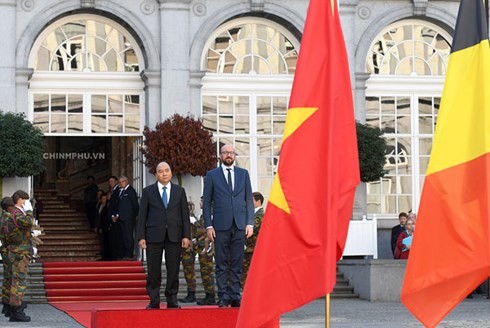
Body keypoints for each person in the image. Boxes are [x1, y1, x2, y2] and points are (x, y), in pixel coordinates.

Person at [203, 144, 254, 308]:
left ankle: (235, 295)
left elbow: (249, 200)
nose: (228, 155)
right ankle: (223, 295)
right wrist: (209, 226)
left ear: (235, 155)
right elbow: (206, 203)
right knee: (221, 262)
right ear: (220, 156)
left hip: (239, 225)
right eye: (225, 153)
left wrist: (250, 222)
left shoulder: (243, 174)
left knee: (237, 263)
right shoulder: (212, 175)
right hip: (220, 226)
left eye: (231, 153)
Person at [136, 161, 191, 309]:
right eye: (161, 171)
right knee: (153, 270)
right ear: (156, 174)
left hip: (175, 235)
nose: (164, 173)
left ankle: (172, 299)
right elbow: (142, 216)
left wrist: (186, 236)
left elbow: (185, 215)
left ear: (171, 173)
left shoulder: (180, 191)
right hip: (153, 235)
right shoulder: (148, 191)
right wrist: (141, 236)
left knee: (173, 270)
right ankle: (154, 300)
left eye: (167, 170)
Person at [180, 197, 217, 305]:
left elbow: (204, 230)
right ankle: (191, 294)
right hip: (194, 245)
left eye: (202, 201)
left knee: (206, 271)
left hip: (205, 247)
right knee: (189, 269)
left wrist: (194, 223)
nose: (200, 203)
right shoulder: (201, 215)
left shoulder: (210, 215)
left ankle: (210, 295)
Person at [7, 190, 34, 322]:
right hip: (19, 253)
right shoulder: (17, 213)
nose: (25, 203)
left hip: (20, 251)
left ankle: (16, 309)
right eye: (24, 200)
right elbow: (28, 222)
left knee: (18, 281)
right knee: (18, 282)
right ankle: (16, 310)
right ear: (19, 200)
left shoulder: (16, 213)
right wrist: (29, 211)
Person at [241, 191, 264, 288]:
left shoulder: (260, 215)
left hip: (253, 249)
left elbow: (252, 229)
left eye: (251, 200)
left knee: (250, 273)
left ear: (258, 201)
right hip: (249, 249)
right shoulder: (252, 214)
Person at [116, 175, 139, 260]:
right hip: (122, 218)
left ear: (126, 181)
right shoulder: (121, 191)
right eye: (120, 182)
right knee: (124, 236)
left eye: (122, 182)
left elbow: (135, 204)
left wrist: (134, 215)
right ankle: (126, 253)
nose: (121, 183)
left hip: (129, 218)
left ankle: (130, 254)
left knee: (129, 236)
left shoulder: (130, 191)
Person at [0, 197, 15, 317]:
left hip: (5, 249)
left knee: (7, 277)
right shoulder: (9, 217)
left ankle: (6, 304)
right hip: (9, 249)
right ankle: (10, 305)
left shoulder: (2, 217)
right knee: (11, 278)